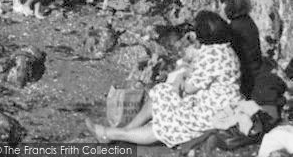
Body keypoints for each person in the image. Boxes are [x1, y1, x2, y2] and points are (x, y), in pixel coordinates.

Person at [85, 11, 242, 146]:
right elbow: (203, 76)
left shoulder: (211, 55)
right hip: (220, 102)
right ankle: (127, 130)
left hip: (213, 111)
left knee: (168, 122)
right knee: (162, 92)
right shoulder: (224, 49)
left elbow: (189, 87)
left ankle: (111, 134)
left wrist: (180, 76)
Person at [218, 0, 262, 98]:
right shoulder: (246, 21)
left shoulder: (235, 28)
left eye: (222, 3)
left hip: (248, 83)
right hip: (255, 76)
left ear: (227, 4)